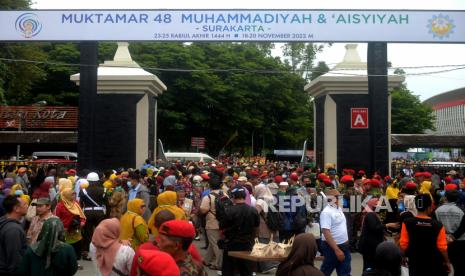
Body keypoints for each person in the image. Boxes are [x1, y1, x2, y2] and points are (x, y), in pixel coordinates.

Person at [400, 194, 450, 276]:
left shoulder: (407, 223)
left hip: (415, 261)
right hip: (434, 262)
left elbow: (403, 244)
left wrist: (402, 257)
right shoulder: (437, 225)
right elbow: (442, 247)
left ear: (416, 207)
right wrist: (447, 261)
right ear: (429, 207)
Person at [221, 185, 260, 276]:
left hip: (231, 243)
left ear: (233, 197)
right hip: (247, 243)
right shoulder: (253, 210)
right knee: (246, 269)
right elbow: (256, 226)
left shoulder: (229, 210)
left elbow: (222, 226)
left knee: (228, 269)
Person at [319, 189, 351, 276]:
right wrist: (337, 250)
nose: (341, 199)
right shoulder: (326, 213)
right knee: (326, 271)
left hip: (344, 246)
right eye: (339, 197)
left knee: (345, 272)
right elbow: (326, 232)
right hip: (332, 248)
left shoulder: (338, 208)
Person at [435, 187, 465, 276]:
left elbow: (436, 225)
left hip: (443, 240)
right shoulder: (462, 209)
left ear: (446, 197)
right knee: (459, 266)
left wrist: (446, 237)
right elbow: (463, 227)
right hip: (459, 241)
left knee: (444, 265)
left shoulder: (438, 209)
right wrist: (453, 236)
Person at [199, 176, 226, 272]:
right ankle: (206, 260)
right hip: (223, 222)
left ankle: (219, 264)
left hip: (212, 222)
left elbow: (203, 209)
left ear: (209, 186)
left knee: (215, 244)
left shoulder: (208, 197)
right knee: (213, 242)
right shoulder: (225, 195)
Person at [79, 172, 107, 260]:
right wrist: (106, 215)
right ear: (98, 180)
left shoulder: (83, 191)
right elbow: (107, 204)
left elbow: (80, 205)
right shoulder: (104, 190)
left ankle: (86, 253)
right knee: (102, 233)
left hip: (87, 213)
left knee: (87, 233)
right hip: (100, 213)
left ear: (88, 181)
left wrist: (81, 216)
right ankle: (103, 251)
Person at [54, 187, 86, 263]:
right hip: (65, 231)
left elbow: (81, 215)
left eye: (74, 194)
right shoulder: (60, 206)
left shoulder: (76, 203)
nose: (74, 197)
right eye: (72, 195)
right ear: (66, 195)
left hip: (76, 230)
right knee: (67, 248)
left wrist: (82, 222)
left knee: (76, 247)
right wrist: (62, 228)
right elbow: (56, 218)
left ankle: (75, 263)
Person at [254, 184, 280, 273]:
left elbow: (254, 214)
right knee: (274, 245)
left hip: (264, 226)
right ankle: (275, 263)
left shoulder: (260, 201)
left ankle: (266, 267)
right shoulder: (273, 199)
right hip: (274, 225)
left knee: (263, 245)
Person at [0, 195, 28, 274]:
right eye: (25, 204)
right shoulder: (13, 230)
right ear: (16, 209)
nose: (27, 206)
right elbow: (14, 258)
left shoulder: (3, 220)